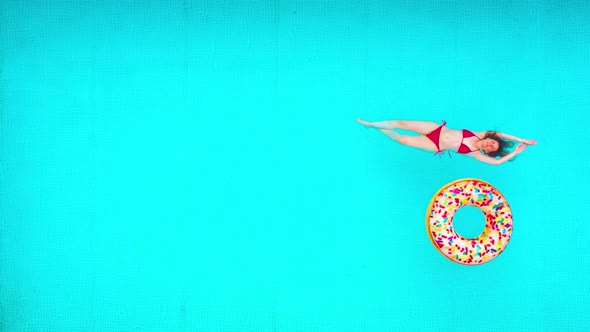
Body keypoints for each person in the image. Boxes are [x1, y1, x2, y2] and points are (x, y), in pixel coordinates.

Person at [356, 118, 536, 165]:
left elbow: (496, 164)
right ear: (490, 138)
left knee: (403, 139)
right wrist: (522, 140)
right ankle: (371, 124)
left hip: (435, 145)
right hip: (435, 129)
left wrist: (515, 152)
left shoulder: (474, 153)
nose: (489, 144)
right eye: (492, 142)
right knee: (404, 124)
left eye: (491, 148)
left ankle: (376, 128)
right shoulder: (480, 134)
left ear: (488, 152)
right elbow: (503, 134)